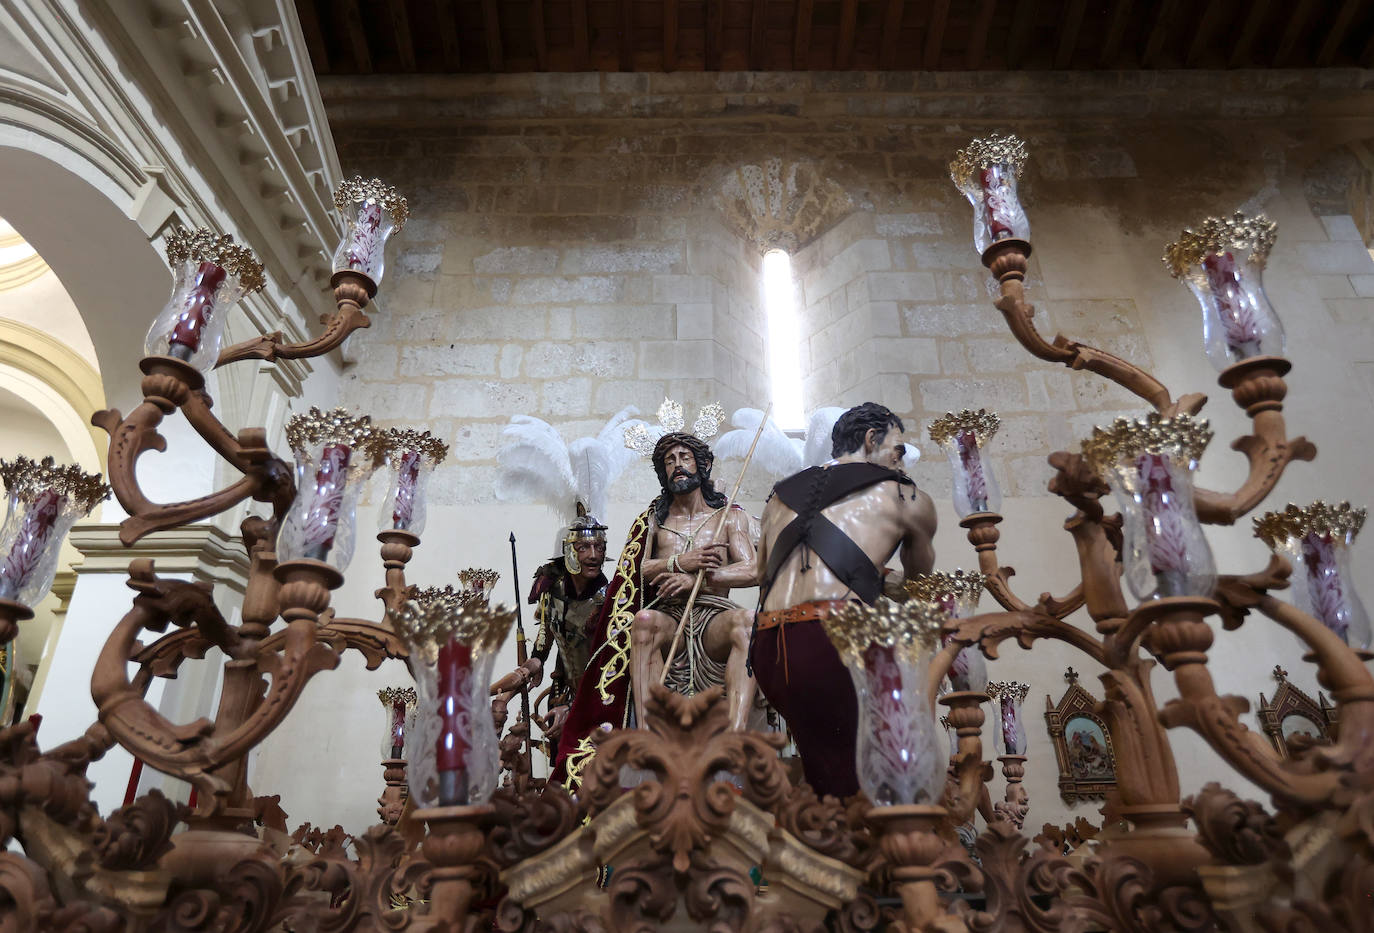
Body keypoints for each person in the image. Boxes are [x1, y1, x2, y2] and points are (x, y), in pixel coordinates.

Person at [750, 402, 937, 799]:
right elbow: (921, 590)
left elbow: (762, 572)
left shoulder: (777, 496)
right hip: (834, 641)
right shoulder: (904, 494)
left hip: (770, 647)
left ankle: (824, 842)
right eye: (898, 448)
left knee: (825, 774)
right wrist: (887, 582)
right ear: (871, 439)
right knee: (875, 777)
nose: (901, 461)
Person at [552, 431, 758, 781]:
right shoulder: (656, 521)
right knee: (644, 621)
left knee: (748, 622)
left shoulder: (729, 516)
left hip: (712, 618)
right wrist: (683, 562)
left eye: (685, 457)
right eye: (669, 461)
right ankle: (648, 740)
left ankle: (735, 738)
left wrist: (702, 580)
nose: (678, 465)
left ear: (702, 464)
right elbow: (640, 568)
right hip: (670, 616)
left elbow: (753, 569)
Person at [527, 506, 610, 746]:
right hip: (564, 689)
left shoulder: (612, 597)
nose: (593, 555)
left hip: (601, 695)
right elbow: (546, 630)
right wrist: (535, 661)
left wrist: (574, 707)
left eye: (599, 547)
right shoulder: (553, 589)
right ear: (568, 551)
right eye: (583, 547)